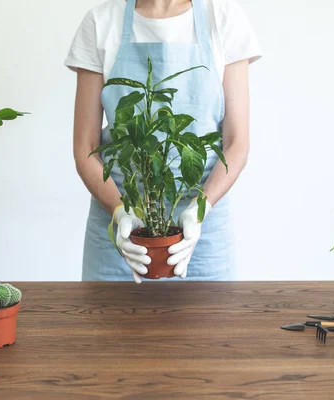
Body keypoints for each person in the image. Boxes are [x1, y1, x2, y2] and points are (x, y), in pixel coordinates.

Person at [66, 0, 261, 282]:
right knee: (110, 324)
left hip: (203, 230)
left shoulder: (222, 18)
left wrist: (198, 210)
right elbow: (85, 148)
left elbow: (236, 143)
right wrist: (121, 212)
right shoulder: (101, 22)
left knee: (207, 324)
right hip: (121, 224)